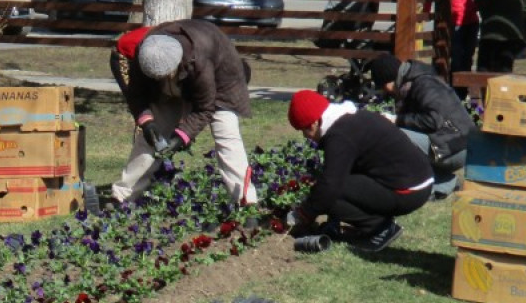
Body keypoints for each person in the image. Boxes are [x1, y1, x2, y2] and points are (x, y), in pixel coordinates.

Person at [108, 19, 257, 205]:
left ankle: (246, 200)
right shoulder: (145, 53)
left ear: (175, 67)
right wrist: (147, 123)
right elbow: (137, 95)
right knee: (151, 139)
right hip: (182, 74)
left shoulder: (200, 60)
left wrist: (181, 137)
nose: (158, 79)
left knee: (226, 136)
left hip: (219, 82)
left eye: (162, 76)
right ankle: (123, 196)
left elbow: (205, 108)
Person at [285, 90, 434, 252]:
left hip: (408, 190)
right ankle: (370, 224)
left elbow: (330, 186)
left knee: (330, 192)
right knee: (333, 183)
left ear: (315, 123)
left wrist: (304, 214)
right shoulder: (350, 119)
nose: (306, 137)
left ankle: (378, 228)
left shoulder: (339, 136)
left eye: (304, 130)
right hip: (418, 180)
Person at [368, 53, 473, 200]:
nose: (387, 93)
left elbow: (433, 120)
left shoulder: (423, 84)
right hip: (456, 144)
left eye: (384, 88)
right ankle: (444, 182)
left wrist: (396, 120)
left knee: (394, 137)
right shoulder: (417, 81)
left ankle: (422, 187)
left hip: (454, 146)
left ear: (387, 83)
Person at [426, 0, 480, 80]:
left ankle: (462, 90)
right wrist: (426, 10)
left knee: (467, 57)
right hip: (455, 21)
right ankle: (451, 86)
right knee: (455, 57)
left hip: (471, 21)